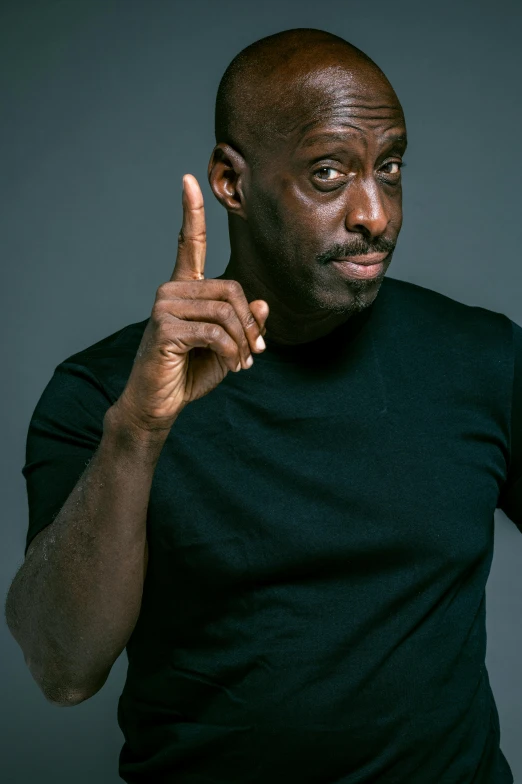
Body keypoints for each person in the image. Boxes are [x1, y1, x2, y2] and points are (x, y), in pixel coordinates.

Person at [5, 27, 521, 784]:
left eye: (390, 167)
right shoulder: (101, 393)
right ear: (231, 182)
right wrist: (138, 433)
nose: (376, 212)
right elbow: (62, 666)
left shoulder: (485, 361)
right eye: (328, 173)